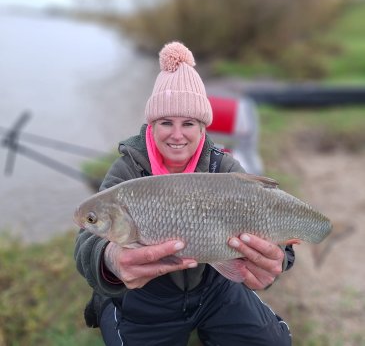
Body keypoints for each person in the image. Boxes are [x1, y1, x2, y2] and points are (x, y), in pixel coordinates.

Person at [74, 41, 294, 346]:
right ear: (151, 124)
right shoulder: (127, 172)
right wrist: (109, 260)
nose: (177, 135)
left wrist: (279, 258)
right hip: (146, 299)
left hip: (216, 287)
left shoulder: (224, 167)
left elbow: (269, 217)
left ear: (203, 127)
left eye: (188, 123)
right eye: (166, 122)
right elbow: (86, 242)